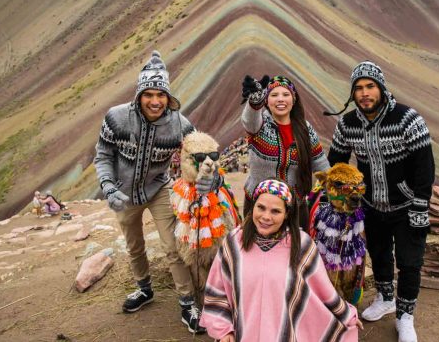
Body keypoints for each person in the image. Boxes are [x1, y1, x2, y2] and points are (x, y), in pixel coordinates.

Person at [94, 50, 219, 333]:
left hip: (159, 188)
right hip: (122, 193)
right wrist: (108, 186)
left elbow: (202, 156)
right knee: (134, 245)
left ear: (168, 97)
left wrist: (211, 179)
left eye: (160, 94)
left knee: (173, 245)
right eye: (148, 94)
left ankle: (188, 303)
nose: (155, 101)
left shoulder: (181, 125)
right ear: (139, 95)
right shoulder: (115, 118)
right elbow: (102, 155)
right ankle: (144, 289)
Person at [327, 61, 434, 342]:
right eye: (359, 88)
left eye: (370, 86)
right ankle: (386, 298)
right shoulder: (347, 124)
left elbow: (425, 167)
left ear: (382, 89)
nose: (364, 93)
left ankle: (405, 316)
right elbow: (336, 162)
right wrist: (342, 196)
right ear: (353, 94)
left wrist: (421, 204)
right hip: (370, 205)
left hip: (407, 205)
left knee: (410, 262)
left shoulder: (407, 119)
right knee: (379, 253)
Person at [200, 180, 361, 341]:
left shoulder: (301, 245)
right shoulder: (234, 243)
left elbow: (323, 291)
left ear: (286, 215)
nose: (266, 217)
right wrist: (224, 331)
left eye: (276, 211)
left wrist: (347, 316)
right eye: (261, 207)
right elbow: (217, 291)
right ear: (253, 207)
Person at [241, 75, 329, 229]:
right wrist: (254, 102)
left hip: (295, 206)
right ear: (266, 100)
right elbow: (249, 120)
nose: (280, 99)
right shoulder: (260, 126)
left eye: (286, 94)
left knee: (295, 250)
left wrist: (336, 189)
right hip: (260, 206)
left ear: (294, 99)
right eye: (274, 95)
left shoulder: (305, 129)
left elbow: (320, 162)